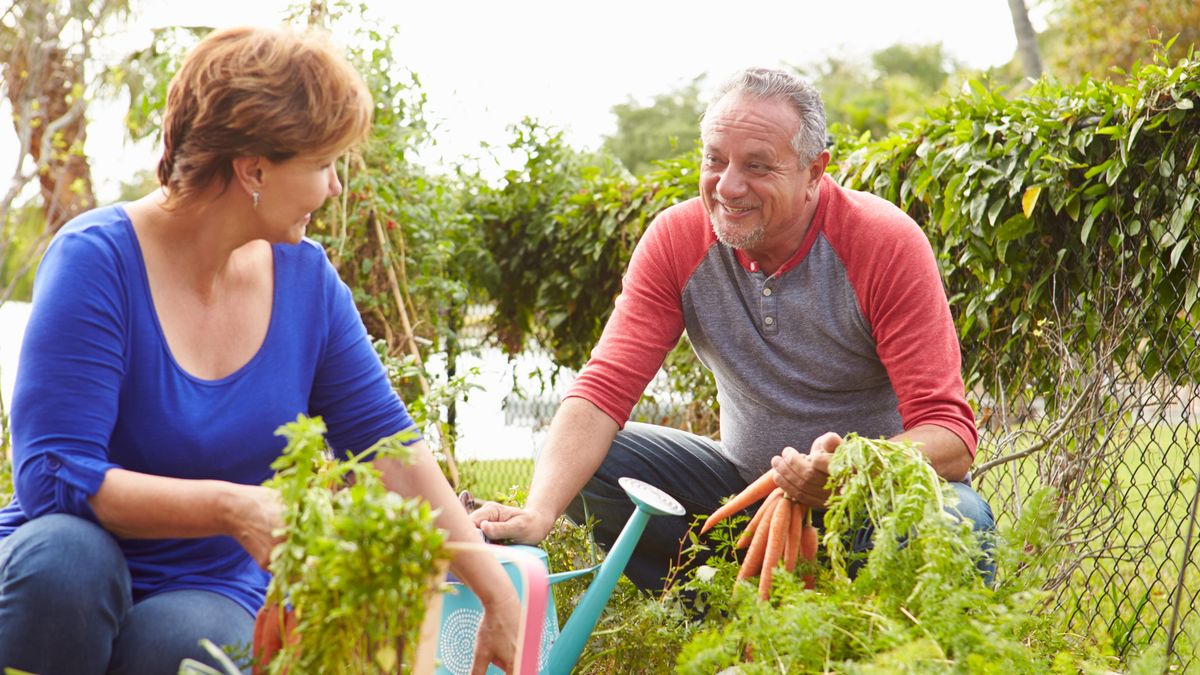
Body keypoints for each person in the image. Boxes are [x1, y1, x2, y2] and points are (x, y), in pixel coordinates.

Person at [0, 26, 518, 675]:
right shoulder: (96, 261)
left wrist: (496, 592)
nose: (335, 188)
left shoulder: (307, 283)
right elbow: (54, 473)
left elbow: (388, 447)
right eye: (323, 164)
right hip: (67, 565)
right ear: (253, 169)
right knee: (69, 564)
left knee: (193, 647)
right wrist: (230, 506)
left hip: (207, 587)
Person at [471, 67, 994, 591]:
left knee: (959, 521)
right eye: (714, 160)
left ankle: (876, 631)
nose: (727, 186)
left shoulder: (883, 243)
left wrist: (850, 471)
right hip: (740, 497)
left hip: (869, 504)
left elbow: (949, 436)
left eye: (757, 165)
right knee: (593, 462)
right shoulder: (676, 240)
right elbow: (603, 390)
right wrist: (538, 512)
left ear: (814, 171)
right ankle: (721, 612)